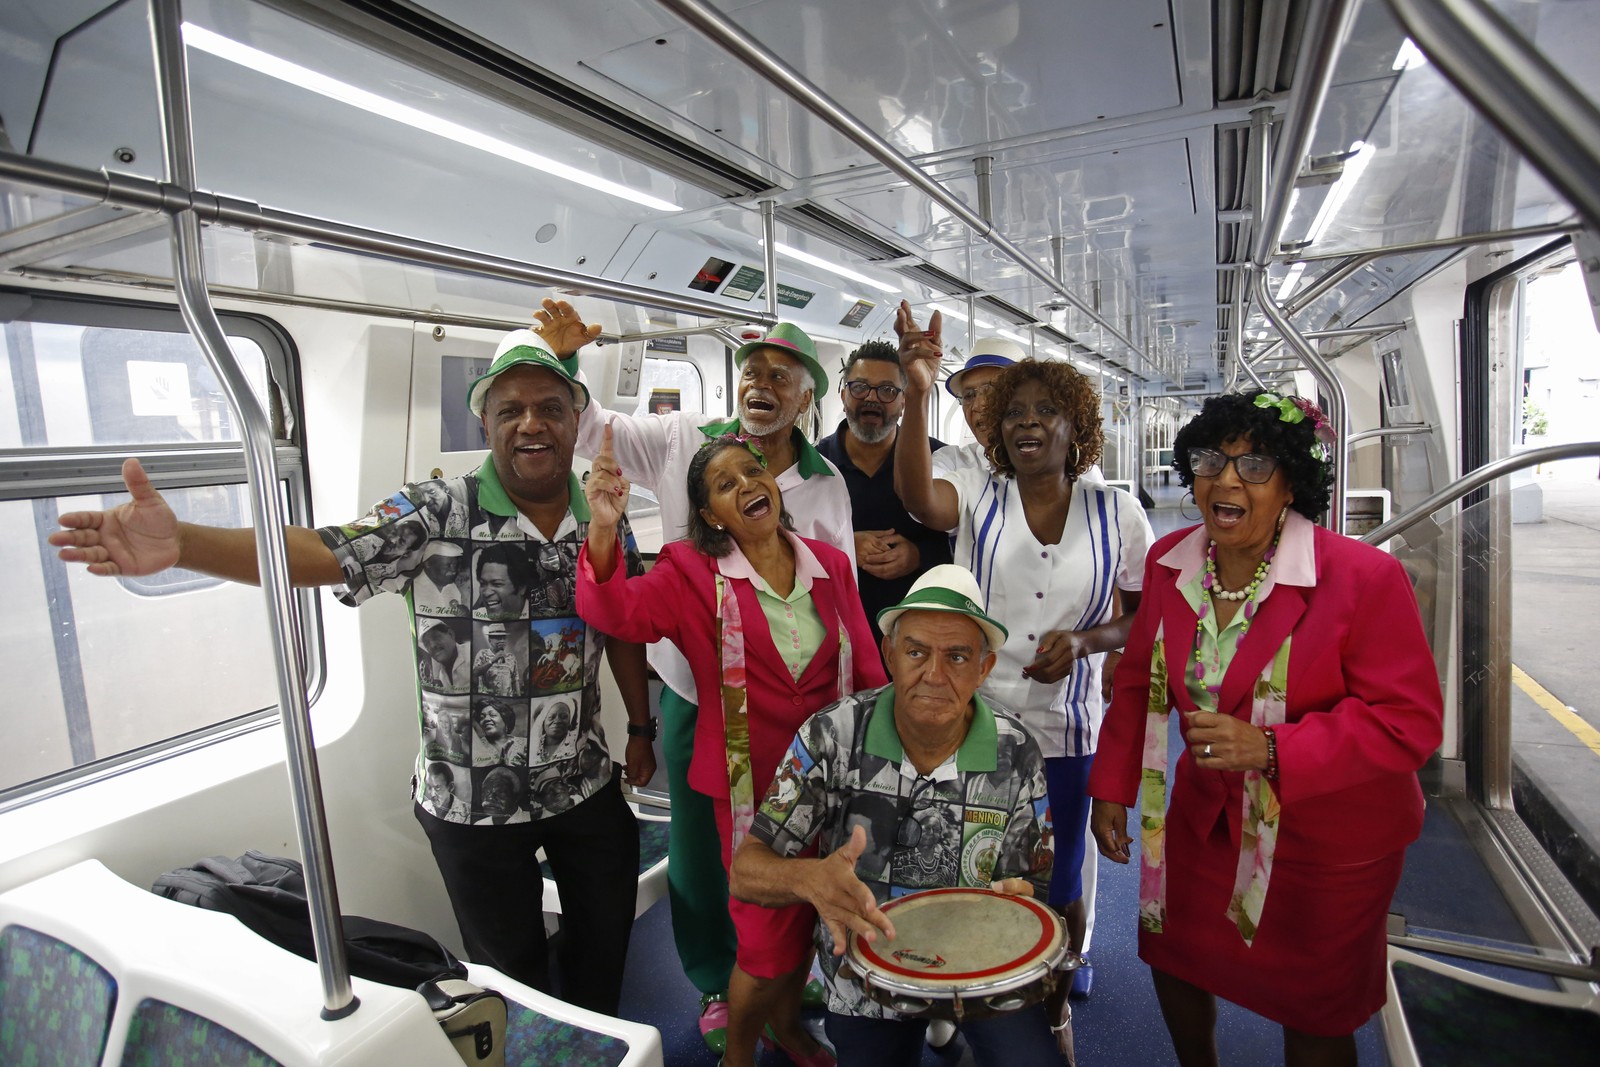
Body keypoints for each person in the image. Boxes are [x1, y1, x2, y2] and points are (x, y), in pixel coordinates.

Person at [47, 335, 658, 1016]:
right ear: (484, 424)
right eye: (510, 409)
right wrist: (185, 542)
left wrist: (640, 725)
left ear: (577, 420)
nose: (531, 423)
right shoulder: (436, 511)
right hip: (470, 800)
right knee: (511, 977)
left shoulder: (601, 513)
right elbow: (321, 550)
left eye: (550, 407)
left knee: (605, 950)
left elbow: (624, 627)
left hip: (585, 779)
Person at [528, 298, 854, 1046]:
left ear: (807, 397)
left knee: (804, 836)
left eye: (782, 374)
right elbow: (583, 428)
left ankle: (785, 967)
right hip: (693, 685)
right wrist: (565, 362)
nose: (761, 383)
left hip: (801, 701)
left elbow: (845, 605)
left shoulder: (824, 481)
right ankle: (716, 980)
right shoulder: (682, 439)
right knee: (704, 853)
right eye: (752, 370)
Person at [1088, 390, 1444, 1067]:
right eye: (1211, 461)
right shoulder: (1171, 564)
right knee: (1175, 954)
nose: (1225, 479)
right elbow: (1137, 681)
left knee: (1313, 1003)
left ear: (1291, 484)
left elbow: (1409, 721)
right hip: (1204, 820)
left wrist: (1273, 747)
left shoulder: (1365, 578)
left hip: (1326, 838)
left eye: (1253, 464)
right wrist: (1112, 785)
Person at [578, 429, 885, 1067]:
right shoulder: (690, 571)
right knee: (767, 939)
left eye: (754, 472)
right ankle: (740, 1052)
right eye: (726, 484)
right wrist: (604, 529)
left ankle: (788, 1026)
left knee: (815, 917)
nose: (748, 484)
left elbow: (870, 673)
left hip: (831, 782)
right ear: (711, 515)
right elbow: (615, 613)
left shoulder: (828, 565)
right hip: (753, 789)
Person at [894, 301, 1152, 1054]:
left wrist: (1087, 639)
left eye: (1046, 411)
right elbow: (917, 497)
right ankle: (969, 993)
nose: (1026, 423)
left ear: (1077, 426)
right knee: (971, 869)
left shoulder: (1120, 512)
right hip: (977, 725)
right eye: (1013, 414)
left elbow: (1139, 620)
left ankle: (1056, 1000)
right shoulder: (979, 496)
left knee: (1059, 881)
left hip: (1068, 732)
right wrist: (917, 390)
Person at [730, 565, 1060, 1067]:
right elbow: (745, 872)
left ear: (984, 668)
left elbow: (1034, 884)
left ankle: (950, 1029)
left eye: (957, 656)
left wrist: (1021, 899)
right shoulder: (831, 736)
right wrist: (810, 879)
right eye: (915, 652)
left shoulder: (1016, 753)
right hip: (863, 974)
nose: (933, 674)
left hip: (979, 966)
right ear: (889, 654)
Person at [816, 340, 953, 651]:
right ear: (843, 395)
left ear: (904, 402)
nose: (872, 400)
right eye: (860, 387)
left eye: (888, 390)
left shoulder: (939, 460)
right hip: (836, 633)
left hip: (919, 633)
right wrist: (845, 546)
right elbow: (789, 544)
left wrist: (919, 556)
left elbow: (967, 543)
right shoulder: (813, 466)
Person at [926, 337, 1021, 479]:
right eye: (969, 395)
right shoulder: (955, 462)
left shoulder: (1055, 464)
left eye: (991, 391)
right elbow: (922, 492)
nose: (978, 405)